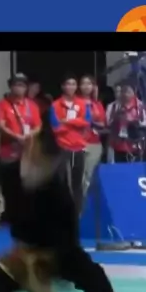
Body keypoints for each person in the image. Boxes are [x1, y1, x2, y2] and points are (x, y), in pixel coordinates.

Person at [0, 114, 134, 292]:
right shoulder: (10, 172)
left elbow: (70, 237)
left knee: (93, 276)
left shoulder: (58, 193)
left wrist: (47, 283)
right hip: (23, 252)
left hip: (58, 252)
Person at [50, 77, 91, 214]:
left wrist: (67, 121)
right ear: (63, 86)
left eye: (74, 84)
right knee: (62, 183)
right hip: (63, 148)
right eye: (68, 84)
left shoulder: (83, 104)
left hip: (79, 148)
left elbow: (87, 122)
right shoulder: (55, 105)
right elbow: (56, 127)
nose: (71, 87)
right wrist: (76, 123)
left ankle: (78, 212)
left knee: (77, 184)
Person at [0, 74, 41, 163]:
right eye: (16, 85)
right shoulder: (2, 104)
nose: (19, 88)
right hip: (8, 152)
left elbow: (38, 126)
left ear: (26, 88)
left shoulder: (32, 105)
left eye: (22, 85)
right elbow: (0, 126)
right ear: (11, 87)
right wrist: (16, 136)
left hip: (27, 152)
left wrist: (29, 134)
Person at [78, 75, 106, 199]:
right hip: (78, 143)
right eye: (83, 83)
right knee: (78, 175)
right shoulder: (75, 102)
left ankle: (87, 201)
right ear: (79, 86)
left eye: (89, 84)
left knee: (90, 175)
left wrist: (94, 124)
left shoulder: (97, 104)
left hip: (94, 143)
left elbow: (103, 124)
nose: (86, 86)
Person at [107, 81, 146, 163]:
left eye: (128, 92)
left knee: (135, 167)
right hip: (118, 143)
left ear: (134, 93)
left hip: (135, 142)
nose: (125, 94)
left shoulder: (139, 106)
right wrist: (117, 116)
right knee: (120, 166)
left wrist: (131, 122)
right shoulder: (114, 106)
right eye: (123, 91)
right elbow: (108, 123)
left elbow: (143, 123)